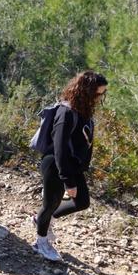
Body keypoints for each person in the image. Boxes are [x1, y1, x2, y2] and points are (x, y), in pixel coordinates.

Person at [32, 71, 108, 262]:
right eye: (99, 94)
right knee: (50, 203)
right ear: (87, 92)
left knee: (82, 202)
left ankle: (42, 219)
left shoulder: (84, 112)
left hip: (72, 166)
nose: (101, 98)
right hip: (55, 165)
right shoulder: (66, 113)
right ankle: (41, 243)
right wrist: (68, 181)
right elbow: (59, 150)